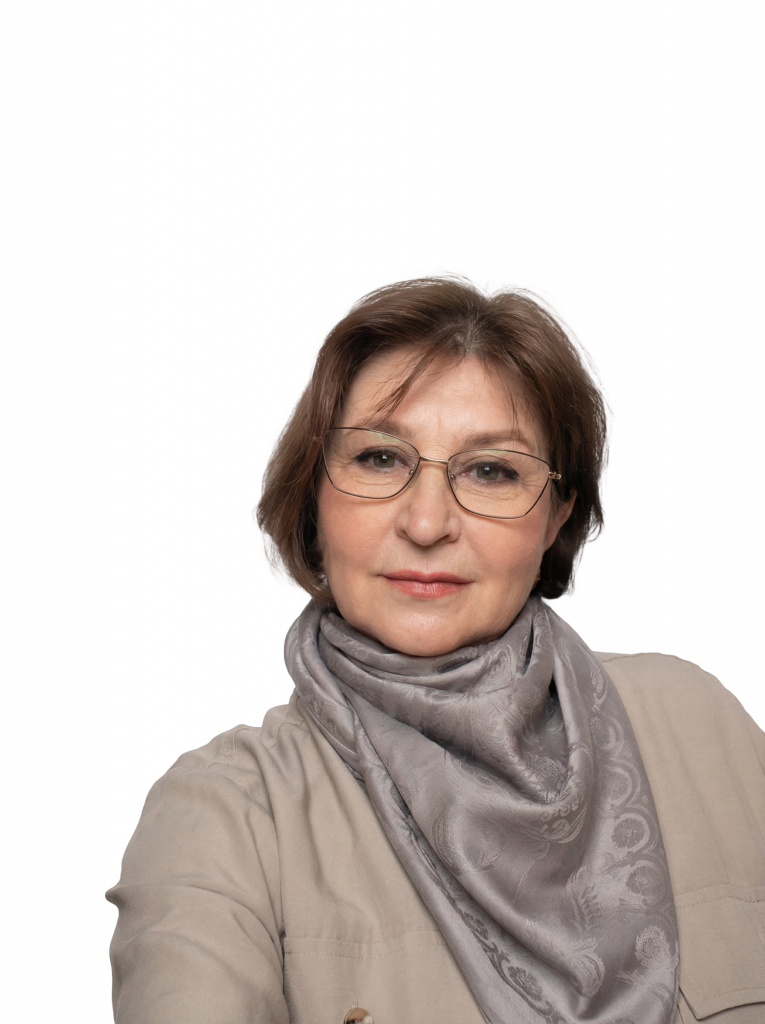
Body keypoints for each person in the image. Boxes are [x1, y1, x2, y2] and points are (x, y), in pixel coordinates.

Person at [105, 270, 764, 1024]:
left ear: (554, 516)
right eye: (379, 458)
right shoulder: (226, 815)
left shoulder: (703, 726)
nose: (426, 524)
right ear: (314, 494)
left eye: (490, 471)